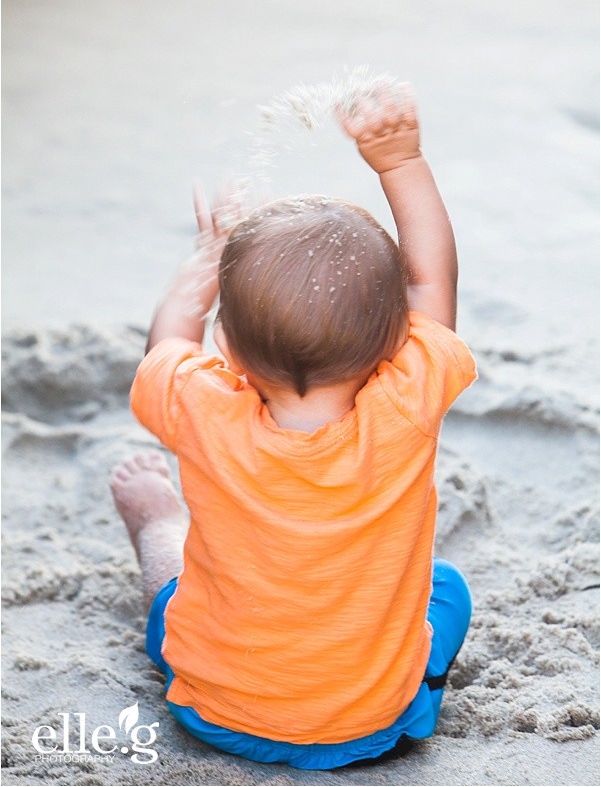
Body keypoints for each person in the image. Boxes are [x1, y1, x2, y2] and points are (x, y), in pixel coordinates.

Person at [111, 84, 477, 770]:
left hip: (212, 711)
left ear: (230, 352)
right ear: (395, 339)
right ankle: (407, 682)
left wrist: (203, 265)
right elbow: (432, 282)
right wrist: (400, 162)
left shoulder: (200, 404)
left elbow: (167, 345)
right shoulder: (406, 406)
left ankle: (151, 518)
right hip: (369, 727)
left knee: (174, 575)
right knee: (446, 587)